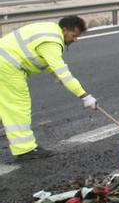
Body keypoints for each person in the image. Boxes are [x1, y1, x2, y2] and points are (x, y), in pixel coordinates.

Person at [0, 16, 97, 160]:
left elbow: (48, 63)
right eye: (74, 35)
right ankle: (24, 149)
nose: (75, 40)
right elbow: (64, 73)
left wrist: (57, 76)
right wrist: (85, 96)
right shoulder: (52, 42)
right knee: (18, 106)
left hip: (4, 61)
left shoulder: (49, 30)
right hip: (7, 66)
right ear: (65, 30)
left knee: (6, 105)